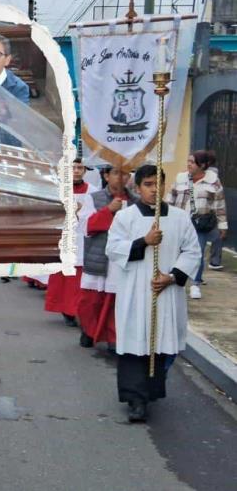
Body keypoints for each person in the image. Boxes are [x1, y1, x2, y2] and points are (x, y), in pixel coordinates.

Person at [106, 165, 201, 422]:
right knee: (135, 344)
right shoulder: (126, 218)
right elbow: (113, 249)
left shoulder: (180, 218)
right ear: (137, 188)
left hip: (165, 291)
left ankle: (151, 392)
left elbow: (192, 251)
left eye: (157, 183)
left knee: (159, 345)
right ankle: (135, 399)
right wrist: (143, 242)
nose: (153, 189)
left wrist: (172, 276)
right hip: (136, 291)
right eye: (147, 184)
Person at [76, 166, 136, 349]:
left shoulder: (136, 202)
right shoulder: (93, 198)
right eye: (116, 173)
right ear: (106, 176)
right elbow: (86, 227)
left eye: (125, 173)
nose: (120, 178)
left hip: (121, 260)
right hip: (98, 255)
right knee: (91, 301)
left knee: (116, 302)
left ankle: (113, 338)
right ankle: (88, 330)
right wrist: (108, 210)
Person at [165, 150, 228, 299]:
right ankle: (173, 278)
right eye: (188, 161)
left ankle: (195, 283)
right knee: (175, 252)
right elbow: (170, 198)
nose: (188, 164)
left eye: (192, 162)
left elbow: (220, 205)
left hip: (199, 225)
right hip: (179, 223)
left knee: (197, 254)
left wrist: (222, 226)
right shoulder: (181, 178)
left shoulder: (213, 182)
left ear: (203, 165)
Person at [45, 158, 100, 326]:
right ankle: (65, 308)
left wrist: (80, 213)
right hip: (64, 236)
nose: (76, 171)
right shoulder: (58, 189)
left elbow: (95, 216)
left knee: (79, 278)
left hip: (83, 239)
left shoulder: (93, 191)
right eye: (73, 167)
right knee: (64, 277)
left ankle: (76, 308)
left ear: (85, 170)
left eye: (80, 167)